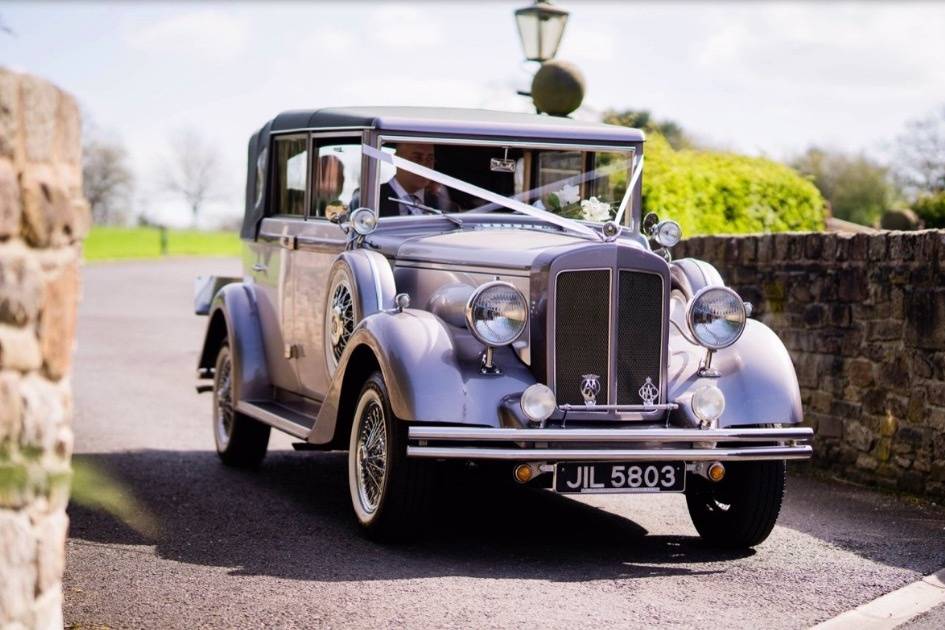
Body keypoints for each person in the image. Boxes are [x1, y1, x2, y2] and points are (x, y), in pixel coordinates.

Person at [378, 143, 455, 217]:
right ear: (396, 159)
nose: (424, 165)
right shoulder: (374, 199)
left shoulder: (441, 202)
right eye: (417, 157)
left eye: (430, 158)